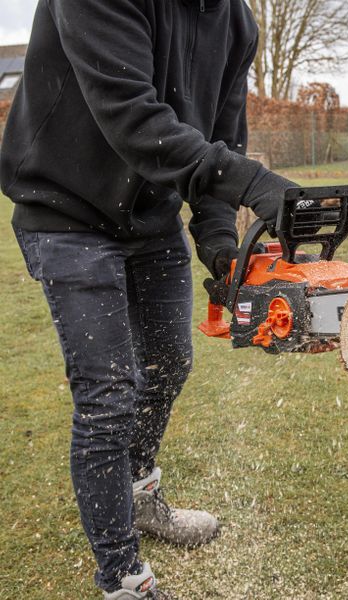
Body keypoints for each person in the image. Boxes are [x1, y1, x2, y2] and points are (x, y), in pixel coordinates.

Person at [0, 1, 294, 598]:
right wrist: (258, 184)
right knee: (109, 392)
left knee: (169, 364)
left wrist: (218, 243)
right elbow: (135, 120)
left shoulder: (235, 21)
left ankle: (140, 496)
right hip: (64, 211)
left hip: (150, 217)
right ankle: (122, 577)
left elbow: (220, 140)